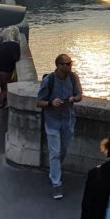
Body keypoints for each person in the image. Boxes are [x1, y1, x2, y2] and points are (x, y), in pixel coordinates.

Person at [36, 53, 83, 199]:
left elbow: (80, 95)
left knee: (63, 151)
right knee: (55, 153)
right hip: (52, 120)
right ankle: (57, 183)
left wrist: (73, 98)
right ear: (58, 65)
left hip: (68, 120)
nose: (70, 66)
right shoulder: (48, 80)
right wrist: (51, 103)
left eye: (71, 63)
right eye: (67, 64)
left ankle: (53, 172)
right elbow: (38, 102)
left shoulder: (73, 77)